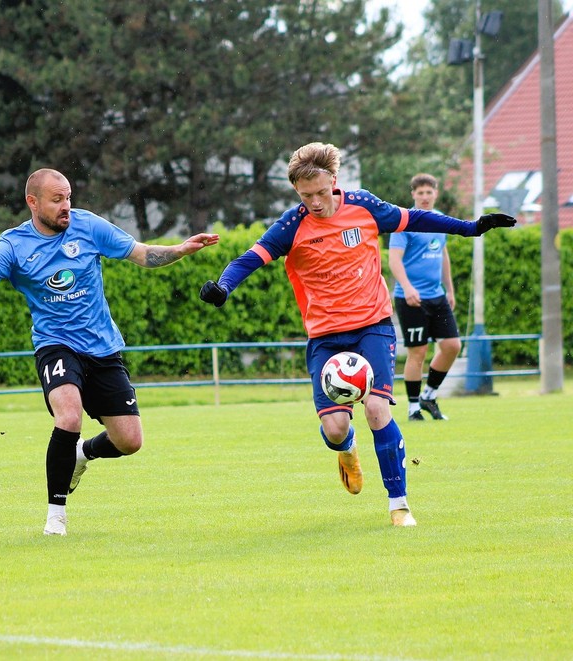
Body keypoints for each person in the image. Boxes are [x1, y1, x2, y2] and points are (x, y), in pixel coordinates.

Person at [199, 142, 515, 527]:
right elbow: (249, 259)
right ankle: (346, 448)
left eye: (321, 192)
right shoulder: (290, 225)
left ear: (334, 180)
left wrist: (471, 227)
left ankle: (399, 504)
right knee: (335, 429)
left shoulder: (364, 206)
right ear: (296, 190)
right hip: (326, 337)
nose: (315, 202)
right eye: (306, 195)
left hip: (373, 326)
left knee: (377, 409)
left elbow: (414, 218)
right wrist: (224, 287)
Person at [0, 168, 219, 536]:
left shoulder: (88, 226)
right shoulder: (14, 244)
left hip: (102, 347)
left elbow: (142, 253)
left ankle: (83, 453)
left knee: (130, 441)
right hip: (55, 345)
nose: (66, 205)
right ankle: (56, 515)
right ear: (33, 202)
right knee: (68, 416)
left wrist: (179, 249)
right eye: (57, 200)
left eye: (68, 197)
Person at [388, 174, 460, 421]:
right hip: (411, 299)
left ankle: (429, 396)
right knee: (418, 352)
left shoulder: (440, 219)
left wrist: (449, 289)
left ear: (436, 194)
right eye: (420, 193)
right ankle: (413, 407)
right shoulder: (405, 222)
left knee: (452, 346)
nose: (425, 197)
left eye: (429, 192)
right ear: (413, 195)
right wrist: (407, 287)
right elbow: (394, 260)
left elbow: (443, 254)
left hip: (437, 296)